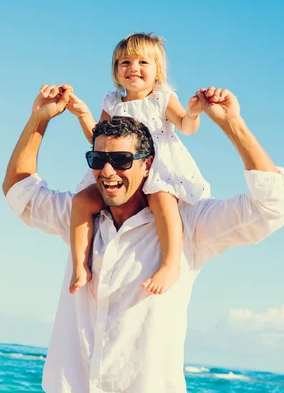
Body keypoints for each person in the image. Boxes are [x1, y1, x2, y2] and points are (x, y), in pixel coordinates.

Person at [3, 84, 284, 393]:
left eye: (122, 160)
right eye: (98, 159)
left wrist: (233, 125)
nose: (107, 171)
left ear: (148, 165)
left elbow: (272, 207)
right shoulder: (79, 219)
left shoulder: (189, 225)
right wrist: (39, 119)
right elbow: (20, 192)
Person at [66, 33, 211, 296]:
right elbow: (96, 137)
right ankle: (80, 265)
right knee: (81, 202)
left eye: (143, 62)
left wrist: (193, 112)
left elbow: (186, 127)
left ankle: (170, 264)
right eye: (125, 62)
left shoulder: (162, 98)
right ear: (116, 71)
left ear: (158, 71)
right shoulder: (112, 102)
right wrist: (83, 115)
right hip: (119, 171)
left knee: (162, 200)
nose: (134, 68)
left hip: (157, 167)